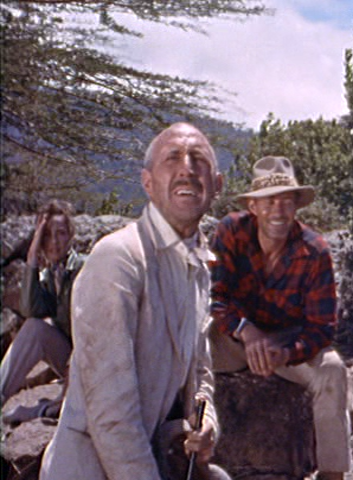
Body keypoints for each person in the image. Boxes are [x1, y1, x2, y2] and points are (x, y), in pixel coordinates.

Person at [40, 122, 228, 479]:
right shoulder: (119, 258)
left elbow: (200, 372)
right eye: (172, 158)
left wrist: (206, 423)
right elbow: (112, 415)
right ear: (147, 182)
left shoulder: (199, 267)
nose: (187, 169)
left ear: (216, 185)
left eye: (198, 159)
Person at [208, 156, 349, 480]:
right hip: (234, 337)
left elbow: (322, 328)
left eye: (286, 201)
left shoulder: (314, 250)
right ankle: (182, 447)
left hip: (285, 344)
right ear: (253, 206)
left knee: (332, 370)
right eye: (269, 201)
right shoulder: (230, 231)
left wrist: (286, 352)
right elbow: (215, 297)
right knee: (187, 352)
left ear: (296, 206)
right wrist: (246, 331)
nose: (278, 210)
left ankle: (332, 474)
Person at [1, 199, 83, 424]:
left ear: (71, 236)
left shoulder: (83, 269)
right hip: (69, 361)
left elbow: (93, 331)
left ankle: (48, 408)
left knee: (36, 327)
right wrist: (31, 260)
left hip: (87, 362)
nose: (54, 242)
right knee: (36, 326)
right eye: (47, 235)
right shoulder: (49, 277)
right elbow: (30, 310)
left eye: (61, 233)